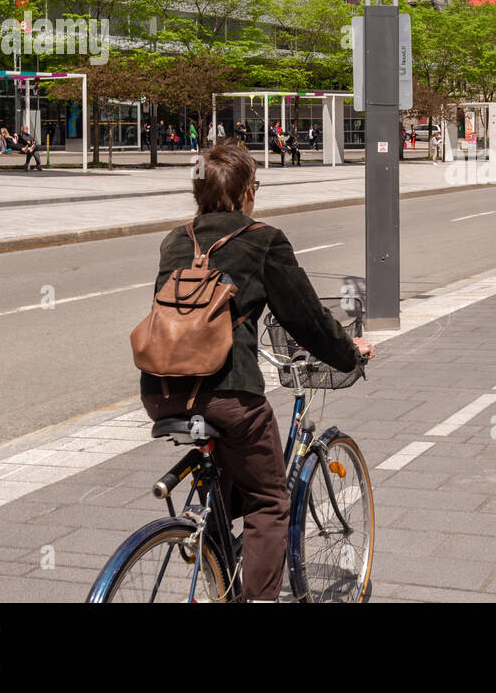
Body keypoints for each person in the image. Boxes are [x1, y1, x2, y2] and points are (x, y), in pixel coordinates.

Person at [140, 142, 374, 602]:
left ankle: (208, 540)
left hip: (161, 391)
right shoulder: (264, 239)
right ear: (249, 191)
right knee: (270, 502)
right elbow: (305, 318)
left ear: (198, 192)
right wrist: (350, 351)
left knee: (237, 470)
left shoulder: (174, 239)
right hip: (228, 394)